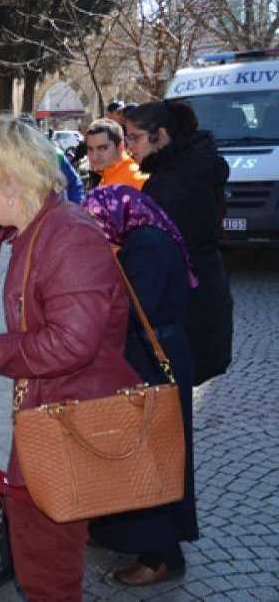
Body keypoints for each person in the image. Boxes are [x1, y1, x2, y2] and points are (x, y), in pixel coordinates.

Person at [0, 116, 141, 601]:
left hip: (49, 447)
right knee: (37, 570)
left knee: (49, 583)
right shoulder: (18, 230)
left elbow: (68, 343)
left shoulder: (69, 234)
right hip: (14, 447)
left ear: (12, 181)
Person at [83, 185, 199, 587]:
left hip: (153, 357)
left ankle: (161, 554)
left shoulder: (145, 246)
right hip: (157, 352)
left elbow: (136, 308)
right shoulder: (146, 237)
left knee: (153, 456)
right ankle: (135, 537)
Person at [124, 100, 233, 385]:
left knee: (171, 411)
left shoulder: (171, 184)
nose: (129, 147)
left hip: (184, 315)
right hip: (203, 301)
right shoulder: (190, 168)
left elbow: (156, 258)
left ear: (161, 135)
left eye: (135, 138)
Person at [86, 118, 148, 190]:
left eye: (102, 148)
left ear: (120, 147)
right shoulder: (107, 174)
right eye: (90, 149)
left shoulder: (135, 177)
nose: (95, 157)